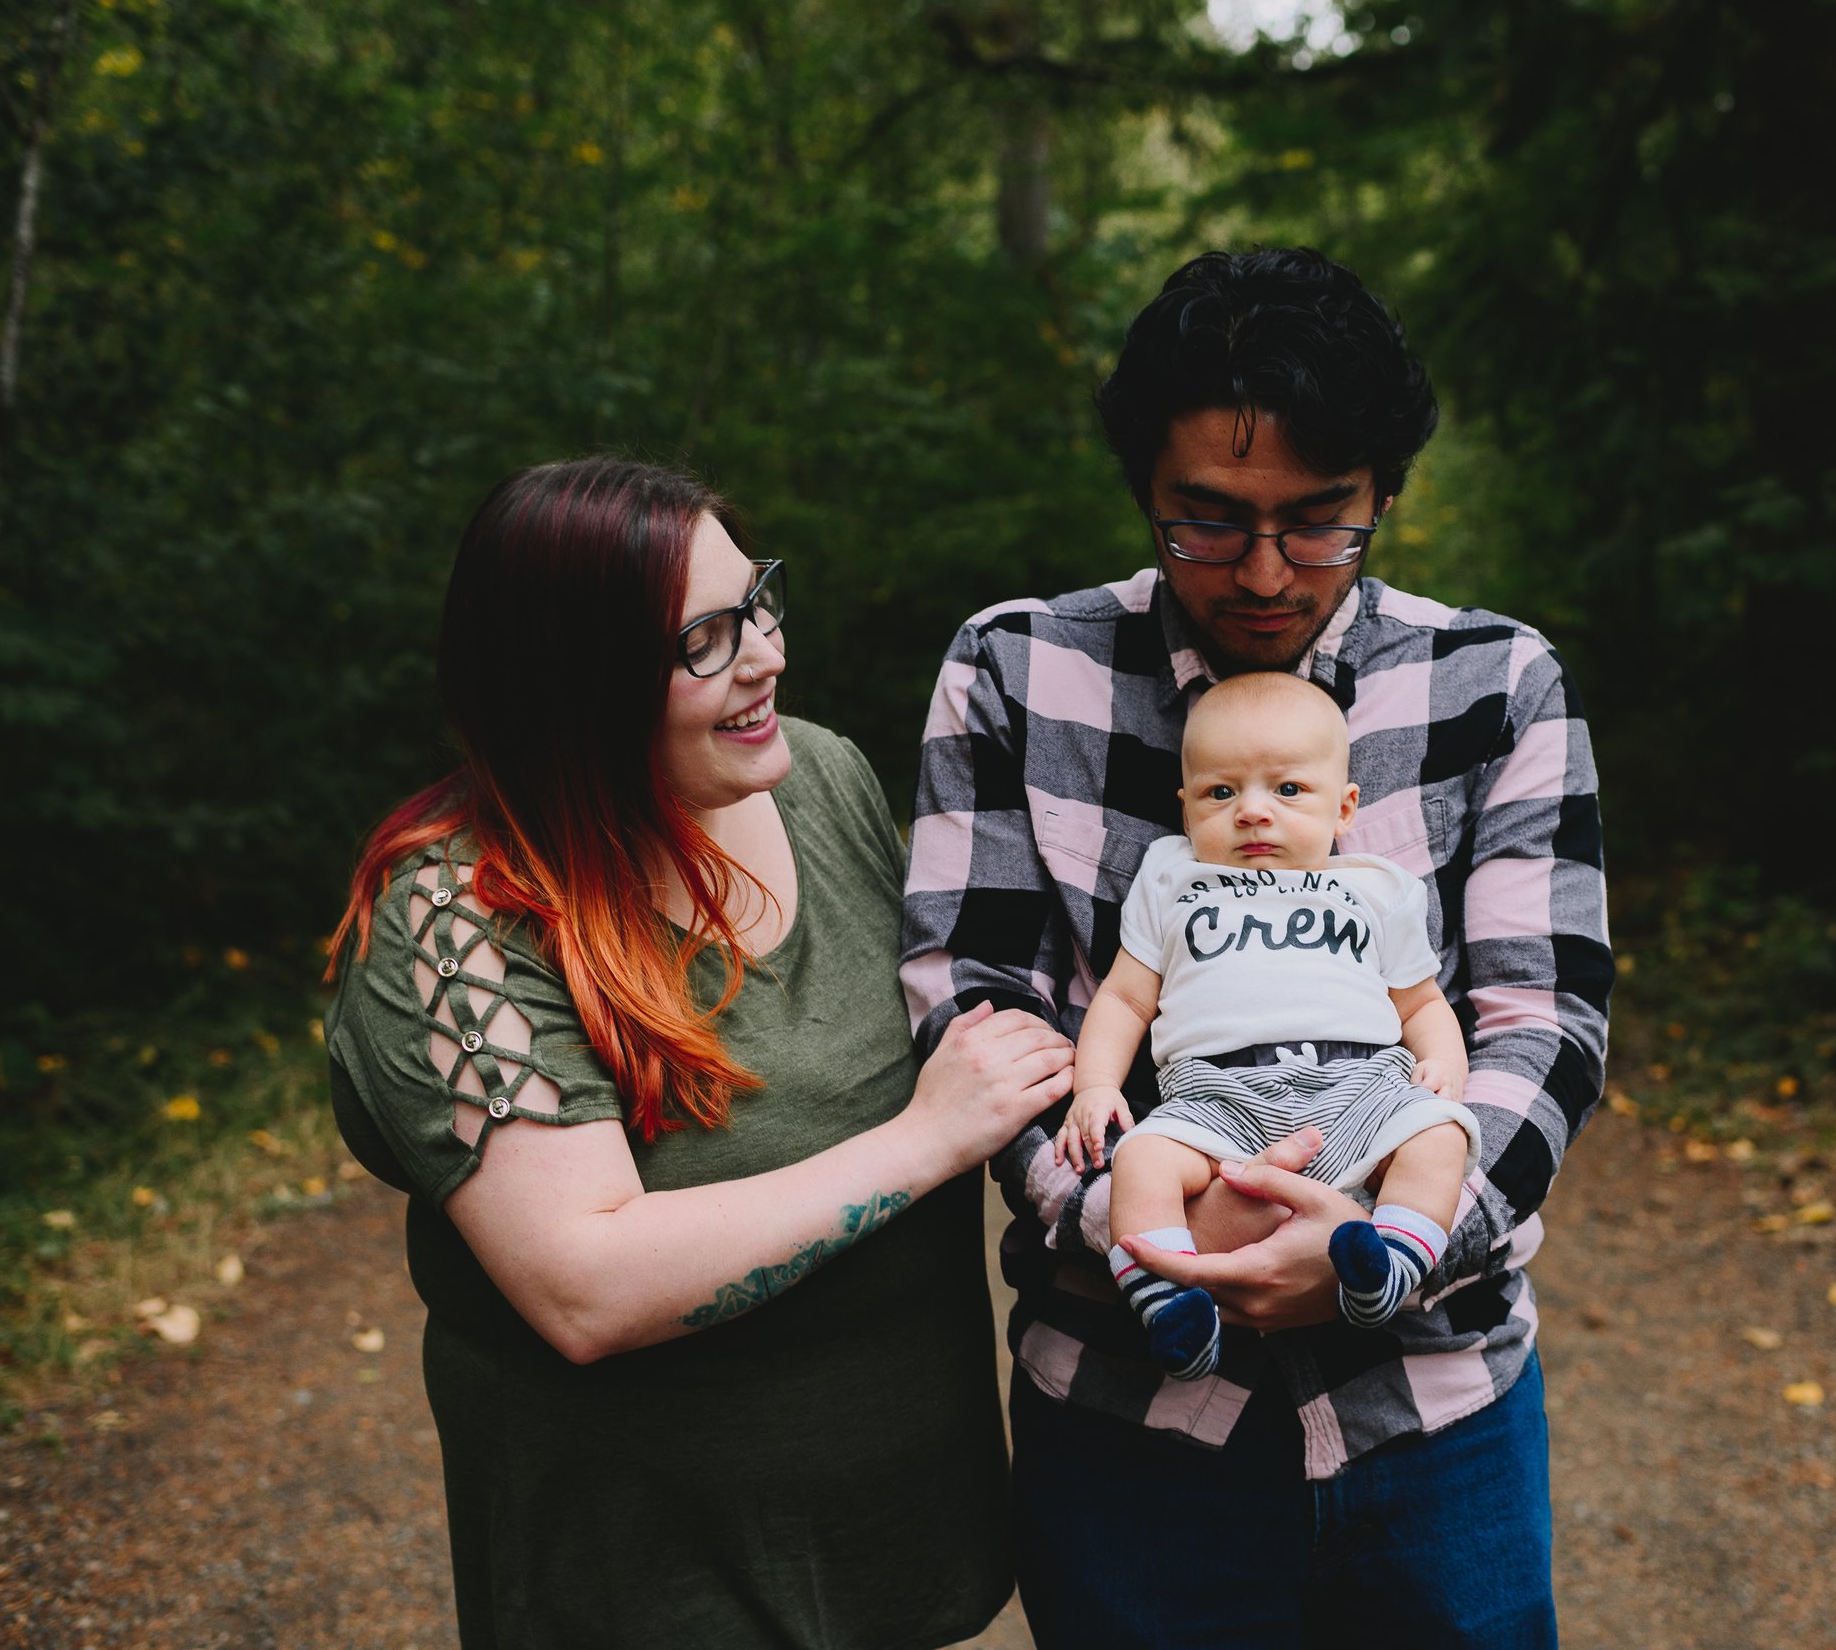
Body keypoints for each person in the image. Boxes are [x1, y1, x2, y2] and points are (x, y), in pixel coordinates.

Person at [901, 247, 1612, 1647]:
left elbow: (1542, 1017)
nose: (1269, 573)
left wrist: (1395, 1236)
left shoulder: (1496, 683)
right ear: (1143, 492)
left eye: (1322, 522)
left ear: (1385, 493)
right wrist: (1151, 1227)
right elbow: (973, 1006)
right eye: (1208, 523)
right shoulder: (1014, 669)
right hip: (1127, 1418)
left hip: (1437, 1400)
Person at [323, 457, 1073, 1650]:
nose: (765, 651)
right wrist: (927, 1139)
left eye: (757, 599)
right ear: (571, 684)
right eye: (704, 641)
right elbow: (587, 1285)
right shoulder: (455, 917)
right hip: (651, 1592)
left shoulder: (818, 775)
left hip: (902, 1560)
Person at [1057, 672, 1480, 1383]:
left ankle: (1391, 1267)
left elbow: (1421, 1002)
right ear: (1186, 807)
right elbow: (1126, 999)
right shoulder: (1173, 878)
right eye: (1222, 793)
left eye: (1287, 790)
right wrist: (1095, 1084)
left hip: (1359, 1088)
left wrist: (1444, 1063)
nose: (1253, 812)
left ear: (1343, 807)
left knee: (1440, 1135)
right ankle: (1168, 1300)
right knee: (1143, 1161)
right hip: (1214, 1098)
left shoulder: (1376, 888)